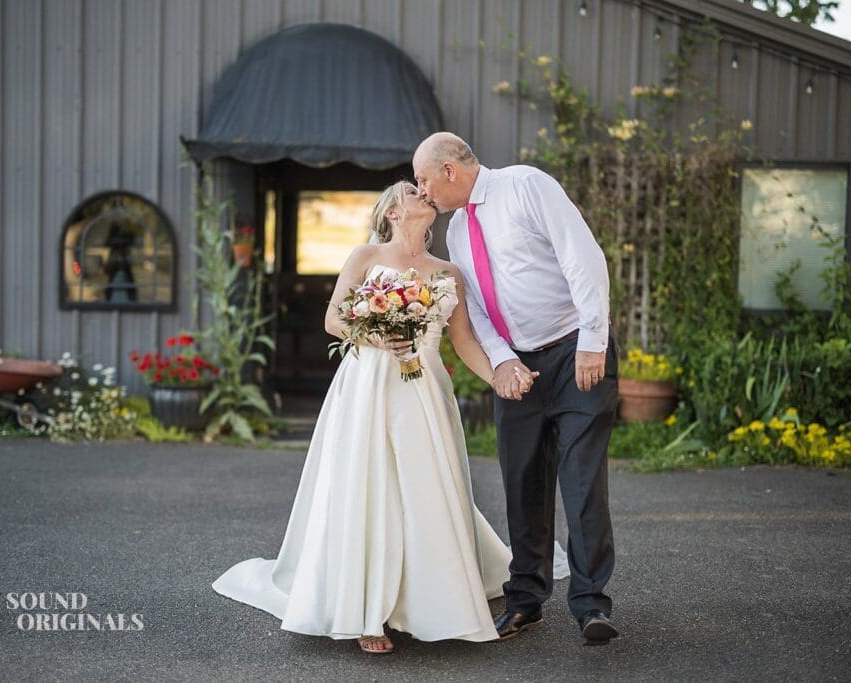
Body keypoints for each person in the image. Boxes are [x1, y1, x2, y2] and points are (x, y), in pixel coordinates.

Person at [211, 181, 567, 654]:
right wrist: (379, 337)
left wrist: (500, 376)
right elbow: (334, 320)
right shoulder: (366, 256)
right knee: (370, 486)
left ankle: (431, 600)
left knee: (424, 486)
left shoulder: (449, 272)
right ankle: (366, 611)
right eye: (412, 191)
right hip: (369, 386)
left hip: (426, 389)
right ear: (393, 212)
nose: (423, 193)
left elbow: (463, 341)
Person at [413, 132, 620, 645]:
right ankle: (526, 602)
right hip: (518, 366)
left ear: (449, 171)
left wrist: (592, 340)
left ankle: (591, 604)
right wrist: (502, 361)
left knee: (581, 481)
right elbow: (476, 308)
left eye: (423, 179)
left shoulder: (527, 186)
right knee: (522, 484)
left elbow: (583, 258)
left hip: (574, 352)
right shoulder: (457, 232)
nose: (421, 191)